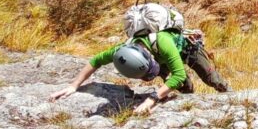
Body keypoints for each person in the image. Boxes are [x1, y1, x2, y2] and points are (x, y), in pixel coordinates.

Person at [50, 18, 230, 113]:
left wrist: (153, 98)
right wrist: (74, 86)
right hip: (160, 58)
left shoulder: (164, 42)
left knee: (211, 78)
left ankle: (230, 95)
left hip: (186, 49)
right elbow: (95, 61)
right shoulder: (121, 51)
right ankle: (190, 103)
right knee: (185, 88)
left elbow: (179, 74)